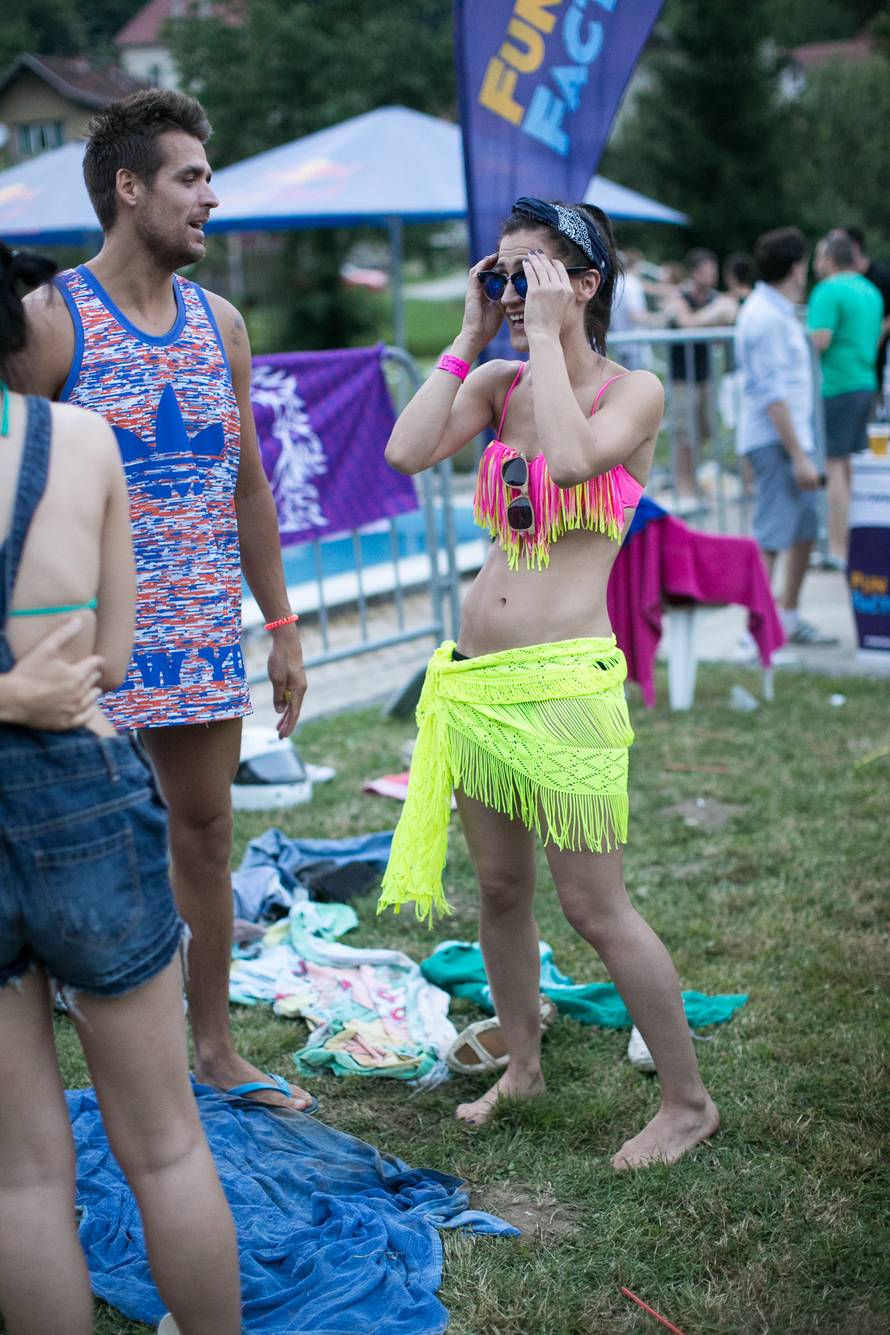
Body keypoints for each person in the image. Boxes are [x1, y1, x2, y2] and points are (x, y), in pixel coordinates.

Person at [378, 196, 718, 1170]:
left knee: (593, 906)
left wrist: (547, 341)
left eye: (531, 271)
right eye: (502, 268)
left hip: (565, 680)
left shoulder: (632, 391)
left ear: (583, 284)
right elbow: (407, 453)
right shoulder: (493, 379)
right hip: (478, 685)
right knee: (496, 890)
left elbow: (569, 459)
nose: (512, 287)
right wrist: (469, 336)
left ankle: (687, 1103)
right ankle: (522, 1065)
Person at [22, 89, 314, 1111]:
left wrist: (278, 626)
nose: (211, 197)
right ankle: (88, 1059)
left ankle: (215, 1049)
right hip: (83, 644)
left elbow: (247, 486)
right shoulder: (51, 322)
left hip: (197, 637)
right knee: (83, 849)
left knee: (203, 835)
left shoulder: (219, 322)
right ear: (128, 185)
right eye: (191, 177)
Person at [0, 243, 240, 1335]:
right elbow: (113, 650)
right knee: (165, 1141)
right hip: (82, 785)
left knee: (22, 1180)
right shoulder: (79, 439)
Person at [734, 227, 836, 647]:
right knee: (774, 536)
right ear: (796, 268)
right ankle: (752, 636)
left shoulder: (774, 310)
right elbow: (773, 394)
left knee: (804, 530)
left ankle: (788, 619)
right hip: (777, 441)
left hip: (791, 441)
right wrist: (798, 455)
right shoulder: (764, 316)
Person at [807, 232, 883, 566]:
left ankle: (837, 547)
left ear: (829, 260)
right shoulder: (871, 290)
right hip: (866, 382)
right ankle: (853, 541)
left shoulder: (829, 290)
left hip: (837, 385)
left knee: (836, 465)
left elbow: (819, 341)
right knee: (852, 466)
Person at [665, 248, 720, 510]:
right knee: (684, 433)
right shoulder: (679, 297)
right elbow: (685, 321)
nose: (711, 276)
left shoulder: (713, 299)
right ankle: (684, 486)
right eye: (706, 271)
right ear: (695, 272)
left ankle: (691, 479)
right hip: (681, 378)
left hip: (704, 376)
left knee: (706, 428)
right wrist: (711, 319)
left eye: (713, 271)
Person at [840, 225, 890, 385]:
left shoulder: (883, 277)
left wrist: (878, 335)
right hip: (849, 370)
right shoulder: (840, 281)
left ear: (854, 246)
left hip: (879, 364)